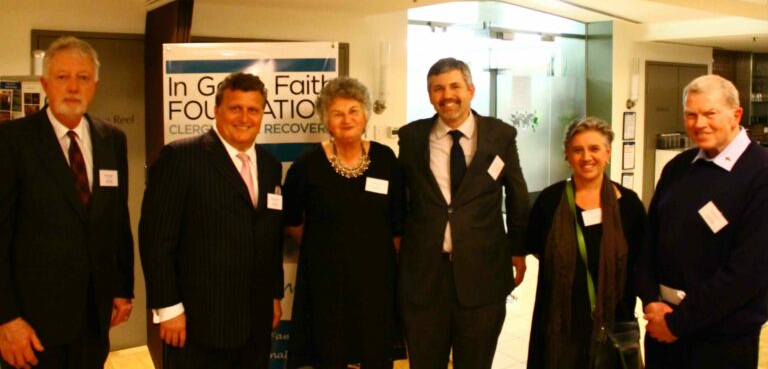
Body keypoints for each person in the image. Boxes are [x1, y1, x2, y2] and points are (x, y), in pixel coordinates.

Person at [0, 36, 134, 369]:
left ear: (95, 86)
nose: (73, 87)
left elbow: (117, 220)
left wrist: (123, 287)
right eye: (62, 77)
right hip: (32, 325)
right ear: (45, 84)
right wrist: (6, 319)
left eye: (83, 78)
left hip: (94, 317)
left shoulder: (112, 140)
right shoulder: (12, 141)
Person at [139, 72, 284, 369]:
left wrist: (273, 294)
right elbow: (156, 239)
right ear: (217, 111)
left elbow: (270, 237)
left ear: (262, 115)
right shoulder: (181, 158)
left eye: (253, 109)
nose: (244, 117)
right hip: (198, 325)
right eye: (235, 108)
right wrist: (168, 308)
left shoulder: (270, 165)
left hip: (255, 324)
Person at [397, 57, 529, 369]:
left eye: (455, 86)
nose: (447, 95)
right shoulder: (412, 137)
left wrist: (518, 249)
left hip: (483, 276)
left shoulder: (500, 135)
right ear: (430, 96)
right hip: (424, 278)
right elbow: (400, 196)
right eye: (438, 89)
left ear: (471, 90)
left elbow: (518, 194)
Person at [636, 74, 768, 369]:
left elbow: (748, 272)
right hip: (662, 329)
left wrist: (678, 323)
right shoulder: (677, 168)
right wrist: (650, 300)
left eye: (710, 113)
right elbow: (649, 241)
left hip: (722, 341)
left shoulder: (761, 173)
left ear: (736, 115)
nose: (699, 124)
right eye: (691, 115)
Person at [283, 76, 405, 369]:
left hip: (376, 279)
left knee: (375, 355)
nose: (347, 119)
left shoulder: (385, 159)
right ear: (326, 120)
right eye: (337, 113)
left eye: (353, 111)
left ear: (365, 115)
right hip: (326, 281)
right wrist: (326, 246)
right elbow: (291, 220)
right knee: (330, 355)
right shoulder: (307, 165)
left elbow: (398, 219)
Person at [525, 117, 646, 368]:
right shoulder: (549, 201)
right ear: (567, 155)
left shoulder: (630, 205)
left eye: (594, 149)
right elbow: (537, 249)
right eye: (577, 150)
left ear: (607, 153)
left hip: (613, 326)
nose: (586, 157)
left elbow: (641, 261)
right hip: (560, 325)